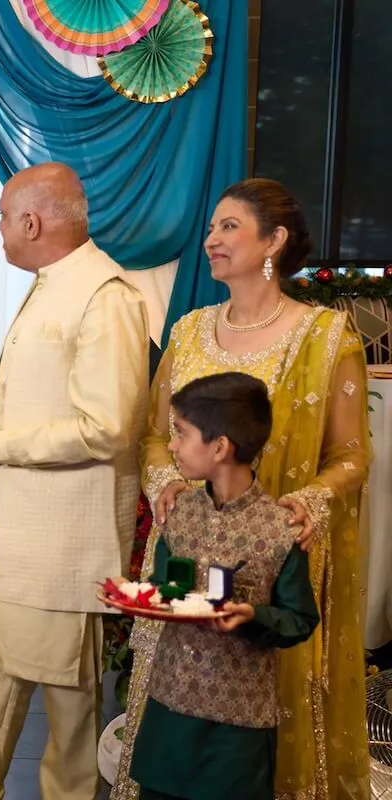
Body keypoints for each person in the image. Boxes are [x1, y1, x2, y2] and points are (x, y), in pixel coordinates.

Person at [112, 178, 370, 800]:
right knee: (176, 700)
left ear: (274, 240)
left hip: (271, 555)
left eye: (229, 226)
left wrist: (308, 503)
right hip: (190, 545)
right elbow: (154, 436)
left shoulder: (325, 337)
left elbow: (352, 456)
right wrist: (167, 482)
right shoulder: (189, 330)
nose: (212, 240)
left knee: (250, 718)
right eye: (211, 227)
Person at [0, 162, 150, 800]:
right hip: (27, 530)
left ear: (33, 222)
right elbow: (51, 405)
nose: (1, 230)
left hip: (67, 542)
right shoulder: (53, 284)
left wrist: (2, 444)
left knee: (69, 695)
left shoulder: (104, 294)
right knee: (0, 672)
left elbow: (108, 426)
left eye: (5, 218)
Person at [126, 372, 319, 800]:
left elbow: (300, 618)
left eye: (182, 433)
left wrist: (253, 617)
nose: (172, 446)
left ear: (220, 447)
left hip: (237, 732)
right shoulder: (179, 513)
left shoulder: (280, 530)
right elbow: (162, 586)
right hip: (170, 712)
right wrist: (138, 597)